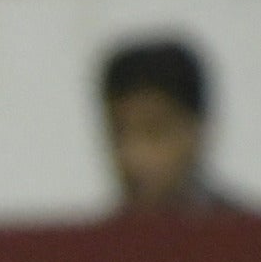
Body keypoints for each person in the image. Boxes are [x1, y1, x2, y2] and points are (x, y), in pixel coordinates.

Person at [100, 36, 244, 215]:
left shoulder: (248, 235)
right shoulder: (103, 240)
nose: (134, 155)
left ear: (196, 131)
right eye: (119, 134)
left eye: (154, 132)